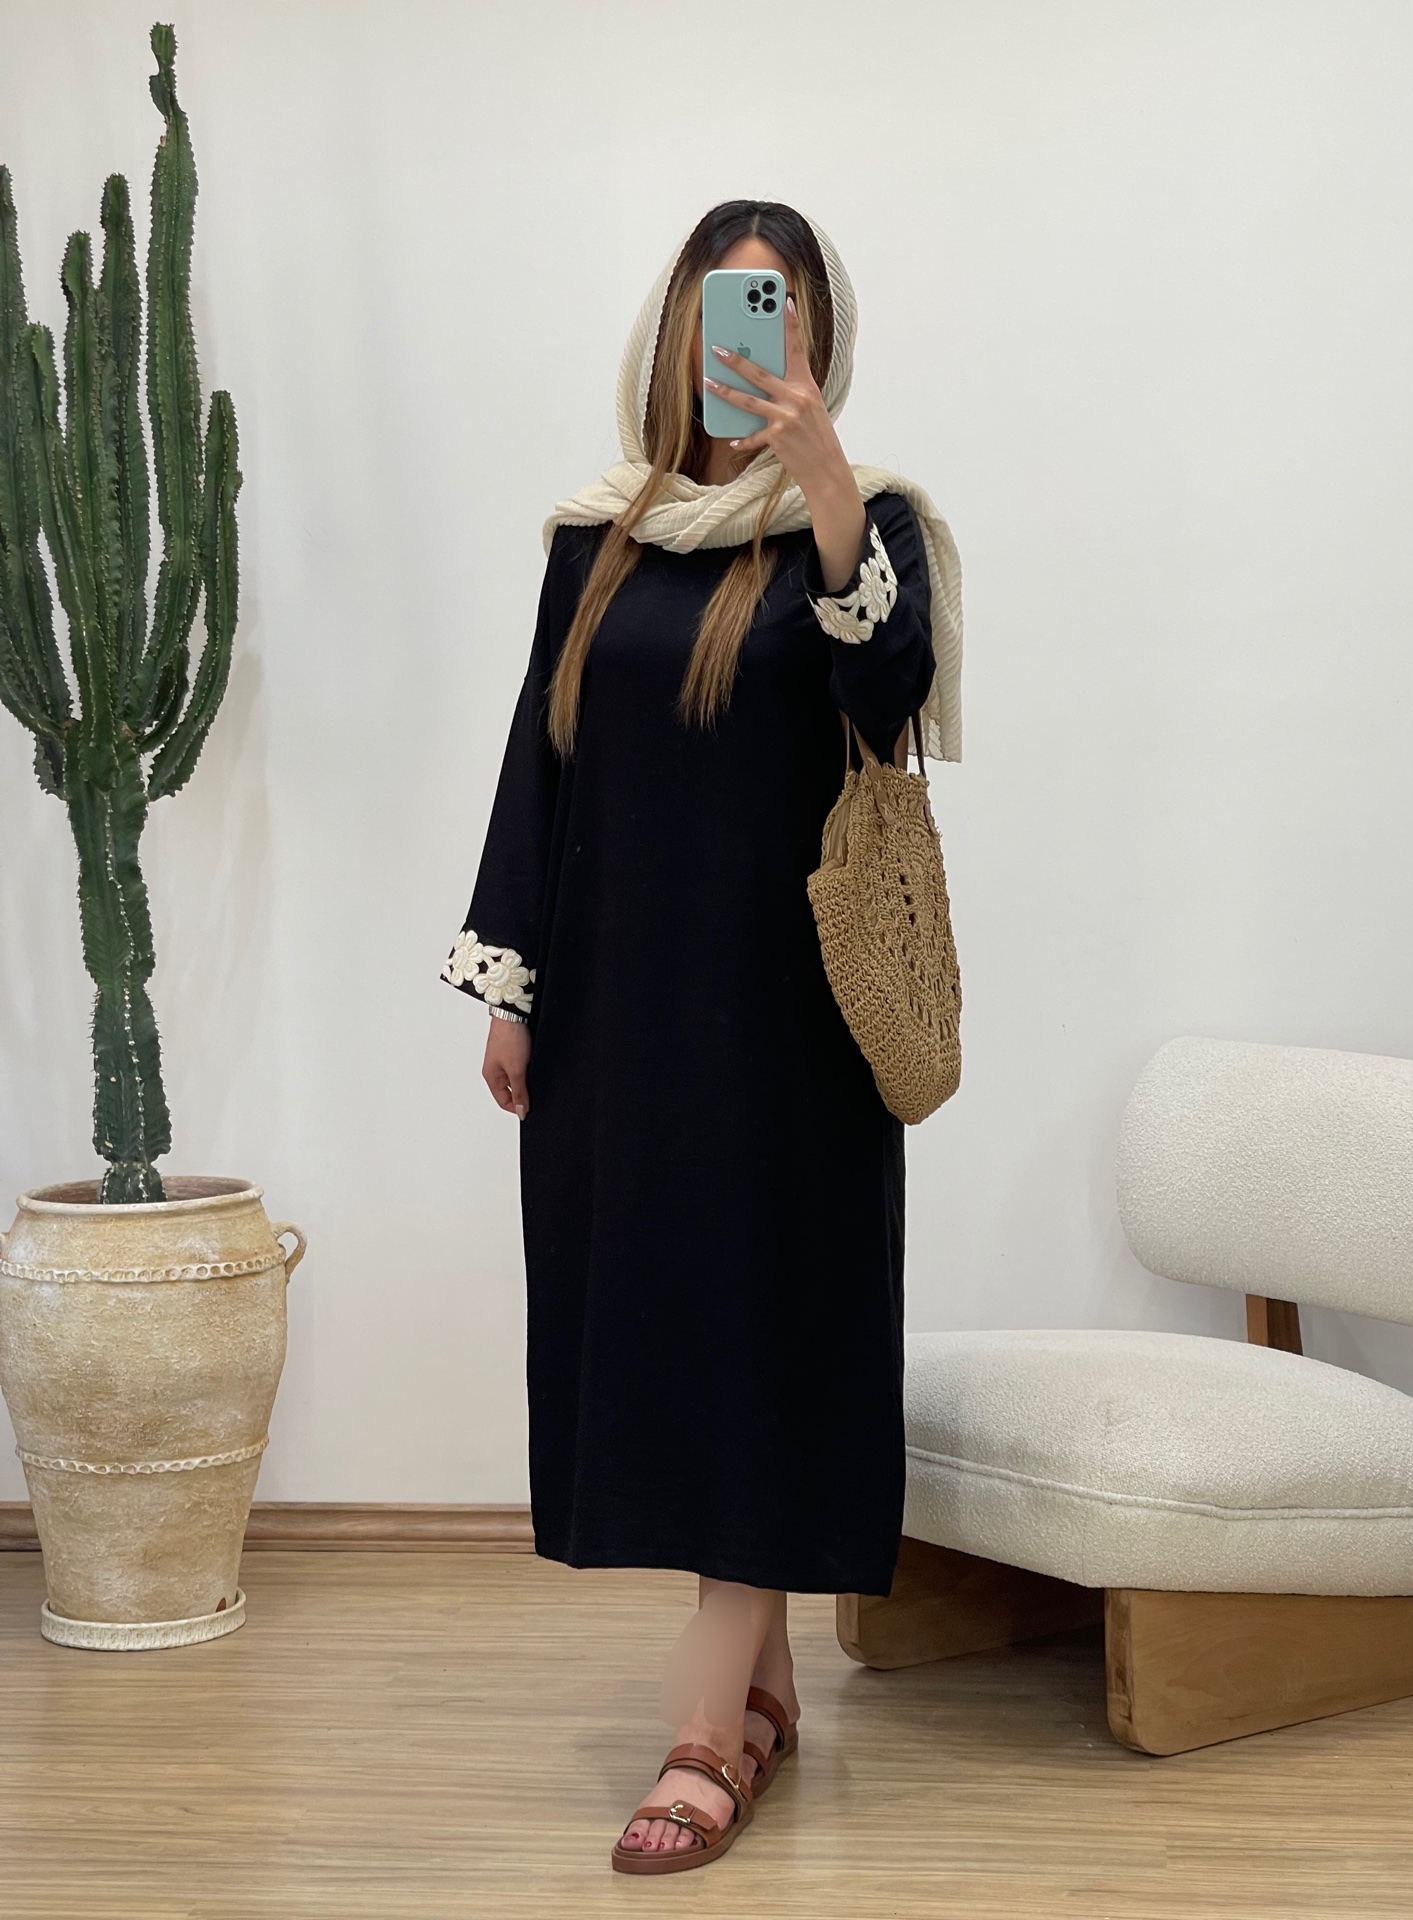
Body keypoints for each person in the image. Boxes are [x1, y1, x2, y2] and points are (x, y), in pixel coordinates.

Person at [442, 200, 963, 1875]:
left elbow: (888, 700)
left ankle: (699, 1739)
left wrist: (826, 491)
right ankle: (765, 1679)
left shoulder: (864, 525)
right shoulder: (596, 541)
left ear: (816, 335)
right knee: (664, 1333)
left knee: (756, 1339)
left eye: (778, 308)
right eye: (724, 306)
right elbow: (542, 763)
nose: (746, 336)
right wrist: (515, 982)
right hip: (619, 1014)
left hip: (786, 1035)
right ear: (678, 328)